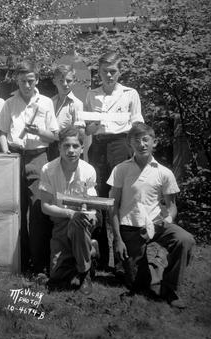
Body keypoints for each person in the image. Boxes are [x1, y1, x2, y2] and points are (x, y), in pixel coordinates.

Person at [108, 122, 195, 309]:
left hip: (156, 225)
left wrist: (167, 220)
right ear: (129, 144)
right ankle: (155, 266)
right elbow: (112, 207)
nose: (142, 144)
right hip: (130, 226)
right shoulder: (121, 169)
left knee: (185, 239)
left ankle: (170, 289)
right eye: (136, 140)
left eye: (146, 139)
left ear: (154, 142)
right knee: (139, 285)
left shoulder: (164, 172)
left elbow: (172, 207)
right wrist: (117, 239)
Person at [0, 59, 59, 274]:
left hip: (38, 157)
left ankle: (39, 263)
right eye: (22, 81)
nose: (26, 85)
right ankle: (20, 262)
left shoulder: (46, 103)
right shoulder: (9, 103)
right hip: (14, 157)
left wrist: (38, 132)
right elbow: (2, 131)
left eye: (30, 81)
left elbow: (54, 136)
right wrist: (6, 153)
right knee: (16, 210)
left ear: (37, 80)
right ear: (17, 80)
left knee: (37, 210)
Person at [85, 52, 143, 268]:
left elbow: (137, 124)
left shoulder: (130, 94)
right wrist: (93, 123)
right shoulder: (92, 94)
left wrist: (137, 152)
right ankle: (99, 258)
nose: (109, 75)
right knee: (98, 198)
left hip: (121, 144)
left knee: (121, 197)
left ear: (120, 72)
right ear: (98, 72)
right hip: (98, 146)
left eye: (113, 71)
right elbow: (88, 128)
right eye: (104, 72)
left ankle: (123, 260)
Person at [39, 127, 99, 294]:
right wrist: (69, 213)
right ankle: (90, 250)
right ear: (59, 147)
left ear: (82, 148)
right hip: (60, 220)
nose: (70, 151)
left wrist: (79, 215)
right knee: (57, 276)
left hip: (83, 220)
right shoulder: (47, 169)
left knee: (78, 224)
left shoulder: (89, 170)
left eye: (75, 146)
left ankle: (84, 273)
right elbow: (45, 206)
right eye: (66, 146)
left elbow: (91, 205)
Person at [48, 63, 84, 160]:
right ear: (54, 81)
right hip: (51, 147)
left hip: (68, 147)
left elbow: (80, 132)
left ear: (74, 82)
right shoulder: (50, 102)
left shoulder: (76, 104)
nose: (65, 84)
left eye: (68, 81)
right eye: (61, 80)